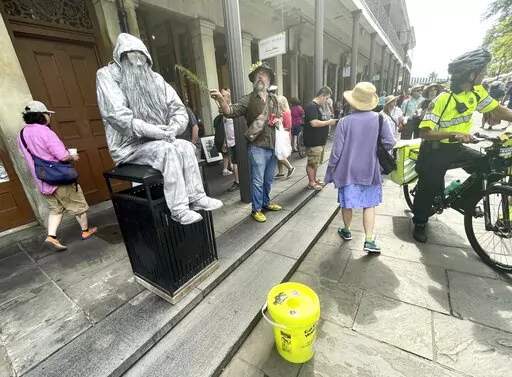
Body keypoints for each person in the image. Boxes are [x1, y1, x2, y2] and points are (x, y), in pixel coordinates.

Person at [96, 33, 222, 225]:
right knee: (168, 150)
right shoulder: (107, 76)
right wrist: (152, 131)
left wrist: (174, 127)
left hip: (158, 139)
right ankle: (179, 210)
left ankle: (196, 197)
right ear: (121, 57)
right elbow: (117, 116)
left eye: (141, 57)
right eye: (132, 57)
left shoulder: (155, 79)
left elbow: (179, 109)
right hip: (128, 146)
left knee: (187, 147)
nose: (138, 63)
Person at [412, 48, 512, 243]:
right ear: (472, 74)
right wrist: (454, 133)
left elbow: (499, 111)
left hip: (456, 149)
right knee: (429, 186)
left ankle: (466, 200)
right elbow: (425, 132)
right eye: (483, 72)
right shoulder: (443, 99)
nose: (486, 75)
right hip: (435, 151)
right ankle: (420, 221)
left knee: (486, 166)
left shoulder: (477, 92)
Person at [325, 82, 395, 253]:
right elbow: (390, 142)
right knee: (369, 204)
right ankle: (369, 240)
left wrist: (331, 169)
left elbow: (336, 151)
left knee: (347, 203)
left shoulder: (344, 122)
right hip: (370, 170)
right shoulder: (380, 119)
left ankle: (347, 230)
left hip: (347, 170)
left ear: (352, 101)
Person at [18, 101, 97, 251]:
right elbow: (62, 156)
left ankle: (51, 236)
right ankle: (85, 231)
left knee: (55, 209)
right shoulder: (46, 132)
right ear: (41, 115)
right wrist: (72, 156)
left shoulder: (21, 134)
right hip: (60, 178)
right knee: (78, 206)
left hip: (42, 179)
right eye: (47, 114)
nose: (49, 117)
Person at [210, 61, 282, 223]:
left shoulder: (273, 99)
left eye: (264, 74)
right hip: (257, 147)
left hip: (272, 146)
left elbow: (278, 116)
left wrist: (277, 120)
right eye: (258, 74)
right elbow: (229, 112)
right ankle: (256, 209)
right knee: (257, 180)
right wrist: (222, 99)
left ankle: (265, 203)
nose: (261, 77)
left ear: (269, 79)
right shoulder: (248, 99)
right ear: (254, 79)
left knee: (269, 179)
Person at [303, 86, 338, 190]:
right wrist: (329, 122)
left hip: (319, 141)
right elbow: (314, 123)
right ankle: (311, 182)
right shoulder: (311, 106)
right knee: (312, 162)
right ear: (321, 95)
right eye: (326, 98)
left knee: (316, 162)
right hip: (313, 140)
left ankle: (314, 179)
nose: (327, 101)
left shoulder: (318, 106)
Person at [213, 89, 239, 192]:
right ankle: (238, 181)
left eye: (223, 95)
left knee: (236, 163)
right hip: (230, 141)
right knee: (234, 162)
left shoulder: (234, 109)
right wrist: (225, 141)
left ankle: (238, 182)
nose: (221, 97)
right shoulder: (224, 112)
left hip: (237, 141)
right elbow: (226, 128)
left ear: (228, 97)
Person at [275, 96, 295, 178]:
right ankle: (281, 172)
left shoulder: (285, 113)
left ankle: (290, 167)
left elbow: (289, 126)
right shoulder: (282, 112)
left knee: (279, 154)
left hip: (283, 136)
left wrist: (278, 127)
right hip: (282, 136)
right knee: (279, 153)